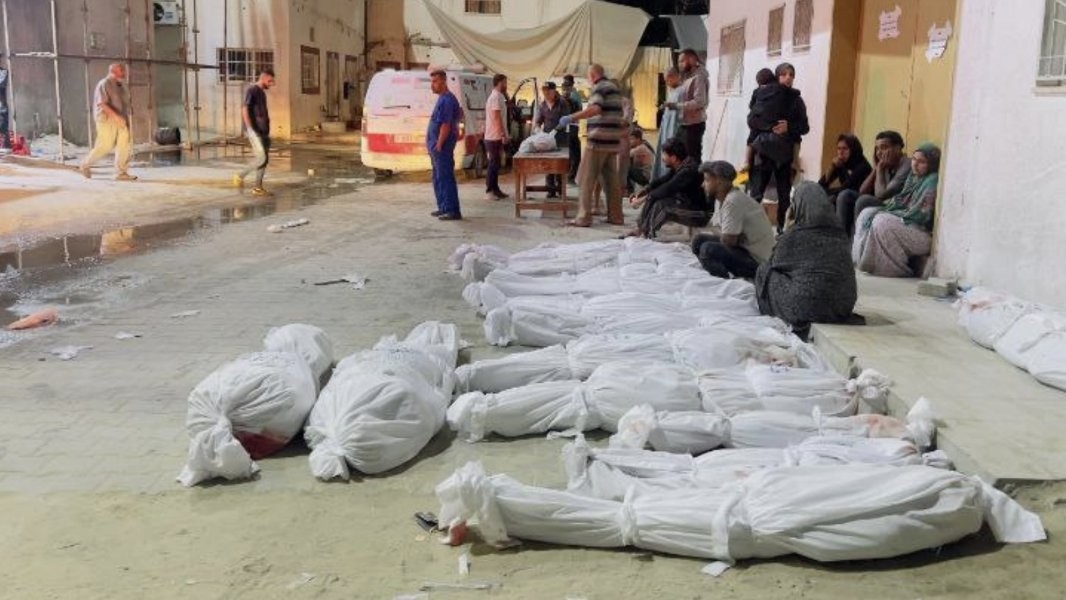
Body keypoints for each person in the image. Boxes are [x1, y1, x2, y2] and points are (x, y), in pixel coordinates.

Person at [756, 182, 857, 327]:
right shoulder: (840, 233)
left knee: (763, 271)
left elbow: (773, 263)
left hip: (808, 309)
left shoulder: (796, 235)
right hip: (841, 308)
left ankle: (772, 311)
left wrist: (786, 228)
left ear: (797, 206)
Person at [852, 143, 942, 277]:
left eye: (921, 161)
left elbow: (920, 215)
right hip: (907, 223)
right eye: (914, 159)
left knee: (882, 221)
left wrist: (890, 214)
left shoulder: (931, 181)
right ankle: (861, 260)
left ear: (931, 163)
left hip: (921, 233)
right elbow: (900, 203)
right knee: (867, 213)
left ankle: (893, 268)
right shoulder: (913, 178)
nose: (915, 164)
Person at [558, 64, 625, 227]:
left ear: (593, 75)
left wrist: (572, 117)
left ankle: (583, 217)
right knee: (611, 181)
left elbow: (595, 109)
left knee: (585, 179)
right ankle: (616, 216)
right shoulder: (614, 89)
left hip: (598, 140)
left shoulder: (600, 87)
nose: (588, 80)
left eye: (588, 77)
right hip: (612, 142)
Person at [748, 62, 810, 233]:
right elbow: (752, 121)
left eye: (791, 74)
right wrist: (771, 126)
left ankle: (782, 231)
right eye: (783, 74)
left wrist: (788, 127)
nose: (788, 78)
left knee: (784, 195)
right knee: (756, 192)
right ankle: (750, 230)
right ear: (777, 77)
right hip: (763, 150)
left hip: (785, 153)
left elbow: (804, 127)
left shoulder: (796, 100)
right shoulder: (762, 95)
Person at [691, 161, 776, 279]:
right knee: (698, 240)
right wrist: (731, 236)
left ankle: (725, 277)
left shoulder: (733, 200)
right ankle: (719, 270)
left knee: (707, 249)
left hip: (757, 261)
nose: (702, 185)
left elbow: (729, 241)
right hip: (742, 248)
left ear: (719, 181)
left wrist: (730, 236)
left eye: (706, 180)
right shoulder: (722, 198)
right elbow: (724, 235)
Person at [625, 137, 708, 239]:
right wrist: (646, 190)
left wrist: (642, 199)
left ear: (673, 157)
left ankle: (645, 234)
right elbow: (662, 181)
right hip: (686, 205)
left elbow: (668, 188)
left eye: (664, 154)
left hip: (700, 214)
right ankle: (641, 229)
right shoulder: (681, 165)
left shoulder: (689, 171)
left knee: (664, 207)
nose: (662, 158)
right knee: (654, 197)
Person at [835, 130, 911, 237]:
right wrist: (876, 169)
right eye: (877, 149)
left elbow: (880, 195)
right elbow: (862, 190)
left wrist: (879, 168)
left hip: (897, 208)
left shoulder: (906, 164)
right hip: (886, 203)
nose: (879, 152)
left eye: (884, 147)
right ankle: (840, 238)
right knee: (845, 195)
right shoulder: (885, 164)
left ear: (898, 148)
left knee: (864, 200)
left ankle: (858, 240)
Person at [80, 63, 136, 181]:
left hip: (120, 118)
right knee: (105, 145)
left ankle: (121, 172)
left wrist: (123, 117)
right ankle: (85, 164)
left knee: (124, 143)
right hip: (106, 118)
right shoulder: (104, 83)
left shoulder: (121, 85)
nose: (124, 73)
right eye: (122, 70)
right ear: (114, 70)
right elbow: (102, 104)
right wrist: (115, 117)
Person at [230, 68, 275, 195]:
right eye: (270, 81)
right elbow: (244, 108)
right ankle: (239, 175)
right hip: (255, 131)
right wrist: (250, 129)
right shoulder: (253, 90)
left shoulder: (262, 92)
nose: (272, 84)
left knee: (264, 160)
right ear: (264, 78)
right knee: (261, 158)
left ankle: (258, 187)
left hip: (263, 131)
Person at [427, 69, 463, 221]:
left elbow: (446, 125)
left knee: (445, 177)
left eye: (435, 81)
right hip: (436, 147)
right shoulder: (442, 99)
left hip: (442, 147)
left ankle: (452, 210)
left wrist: (439, 144)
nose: (432, 85)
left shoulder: (447, 99)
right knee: (438, 177)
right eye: (432, 81)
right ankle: (443, 206)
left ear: (443, 81)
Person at [666, 48, 709, 161]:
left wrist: (677, 105)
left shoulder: (699, 77)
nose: (679, 65)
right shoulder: (688, 77)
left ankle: (695, 178)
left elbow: (699, 102)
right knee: (679, 155)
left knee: (692, 158)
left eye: (682, 61)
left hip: (694, 125)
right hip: (685, 124)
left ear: (692, 59)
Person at [533, 80, 569, 198]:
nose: (547, 94)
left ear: (554, 91)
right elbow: (538, 120)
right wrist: (538, 129)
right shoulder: (542, 105)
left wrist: (556, 130)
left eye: (549, 91)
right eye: (544, 92)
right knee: (548, 164)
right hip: (547, 139)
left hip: (560, 138)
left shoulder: (562, 103)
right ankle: (550, 189)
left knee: (559, 165)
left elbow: (566, 120)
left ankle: (560, 189)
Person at [742, 68, 778, 174]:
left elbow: (751, 105)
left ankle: (746, 161)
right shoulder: (778, 89)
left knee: (751, 139)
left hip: (756, 121)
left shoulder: (757, 91)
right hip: (770, 124)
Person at [818, 133, 872, 202]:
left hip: (861, 199)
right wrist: (832, 166)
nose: (841, 152)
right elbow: (821, 184)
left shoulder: (862, 166)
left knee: (837, 196)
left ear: (853, 150)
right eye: (839, 148)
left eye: (845, 148)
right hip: (845, 196)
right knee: (816, 192)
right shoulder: (842, 163)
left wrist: (823, 193)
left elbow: (846, 187)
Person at [483, 73, 510, 201]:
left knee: (497, 164)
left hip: (496, 136)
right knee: (493, 164)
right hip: (493, 136)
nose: (506, 85)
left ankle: (496, 189)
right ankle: (489, 191)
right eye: (505, 82)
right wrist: (503, 134)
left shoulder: (499, 96)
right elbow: (496, 117)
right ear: (500, 82)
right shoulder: (495, 97)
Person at [653, 67, 682, 179]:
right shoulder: (673, 92)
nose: (666, 82)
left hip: (673, 132)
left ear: (674, 77)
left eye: (667, 79)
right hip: (667, 130)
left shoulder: (681, 92)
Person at [561, 74, 583, 185]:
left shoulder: (573, 96)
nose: (565, 86)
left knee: (572, 152)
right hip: (570, 126)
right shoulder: (575, 95)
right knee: (572, 152)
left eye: (566, 84)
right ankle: (569, 176)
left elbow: (578, 110)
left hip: (571, 126)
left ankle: (570, 176)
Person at [626, 128, 655, 193]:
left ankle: (628, 190)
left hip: (646, 177)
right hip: (647, 175)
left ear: (638, 139)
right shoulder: (645, 144)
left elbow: (624, 155)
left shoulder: (640, 148)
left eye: (632, 139)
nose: (630, 141)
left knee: (624, 167)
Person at [0, 57, 9, 151]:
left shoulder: (3, 72)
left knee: (2, 126)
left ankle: (5, 146)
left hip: (1, 107)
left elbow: (1, 84)